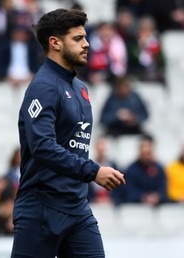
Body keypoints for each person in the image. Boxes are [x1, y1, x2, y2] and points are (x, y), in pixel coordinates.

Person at [11, 9, 126, 258]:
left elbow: (75, 146)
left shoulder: (81, 88)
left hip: (77, 208)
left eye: (85, 37)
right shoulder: (43, 87)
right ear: (55, 43)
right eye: (78, 39)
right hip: (41, 208)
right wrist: (93, 171)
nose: (86, 44)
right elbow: (42, 146)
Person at [124, 134, 168, 205]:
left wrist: (157, 196)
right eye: (144, 148)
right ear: (139, 150)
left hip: (157, 206)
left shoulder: (159, 168)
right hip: (137, 207)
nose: (146, 150)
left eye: (149, 148)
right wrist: (143, 197)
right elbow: (130, 190)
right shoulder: (131, 170)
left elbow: (163, 188)